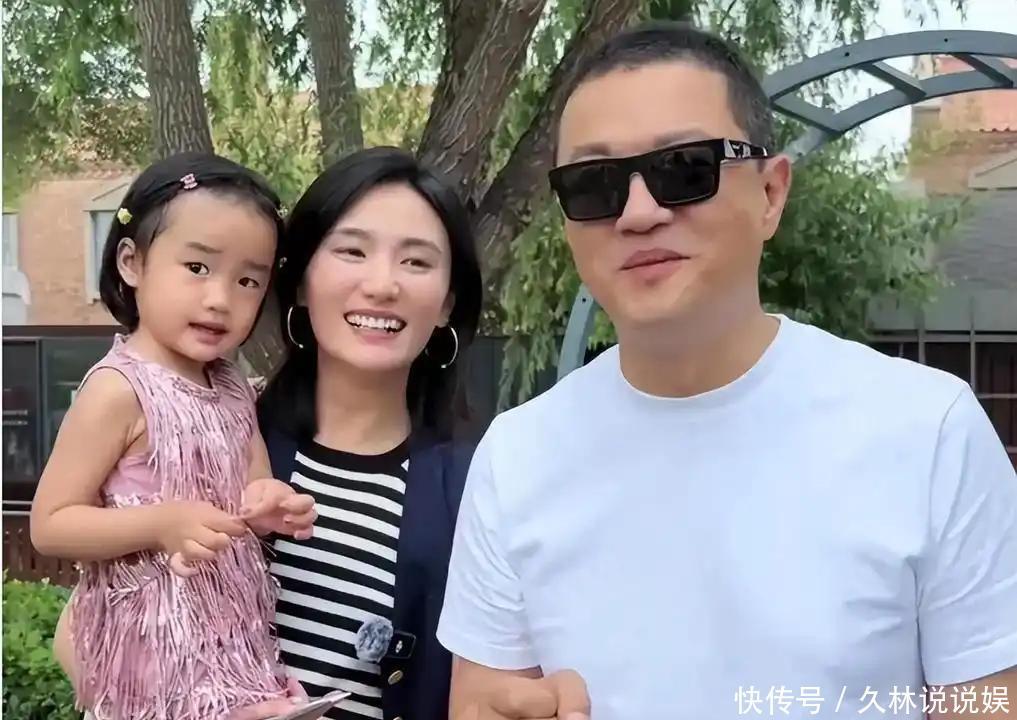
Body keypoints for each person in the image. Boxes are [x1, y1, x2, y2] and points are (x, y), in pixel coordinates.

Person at [436, 21, 1017, 720]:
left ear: (770, 193)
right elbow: (482, 700)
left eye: (684, 168)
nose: (638, 213)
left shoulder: (928, 432)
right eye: (593, 184)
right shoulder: (516, 456)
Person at [31, 152, 318, 720]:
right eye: (197, 267)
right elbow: (51, 524)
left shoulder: (233, 387)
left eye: (247, 280)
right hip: (151, 650)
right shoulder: (118, 390)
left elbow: (252, 485)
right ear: (132, 262)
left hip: (229, 640)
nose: (220, 298)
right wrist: (160, 524)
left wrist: (270, 504)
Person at [256, 146, 483, 720]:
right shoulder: (223, 435)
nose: (382, 285)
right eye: (352, 251)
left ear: (447, 303)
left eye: (416, 262)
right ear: (300, 282)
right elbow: (91, 632)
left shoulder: (478, 487)